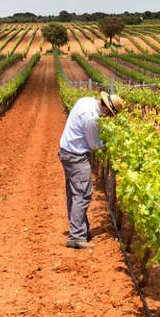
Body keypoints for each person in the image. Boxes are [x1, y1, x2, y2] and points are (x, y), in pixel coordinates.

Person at [58, 91, 124, 249]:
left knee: (75, 193)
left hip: (66, 151)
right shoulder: (92, 117)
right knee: (82, 194)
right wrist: (109, 145)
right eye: (109, 115)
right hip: (76, 157)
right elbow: (94, 145)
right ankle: (76, 237)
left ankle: (81, 230)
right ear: (108, 110)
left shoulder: (85, 100)